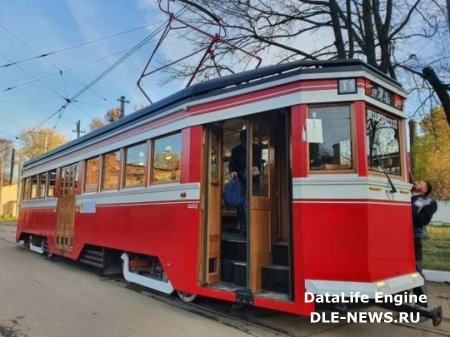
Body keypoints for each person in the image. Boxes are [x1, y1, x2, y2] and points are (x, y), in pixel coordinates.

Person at [228, 130, 262, 237]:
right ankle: (244, 229)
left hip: (254, 179)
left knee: (256, 202)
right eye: (244, 137)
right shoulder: (236, 150)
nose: (245, 139)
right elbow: (231, 164)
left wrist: (257, 171)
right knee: (240, 205)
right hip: (241, 181)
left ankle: (256, 228)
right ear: (241, 138)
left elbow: (259, 163)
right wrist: (233, 172)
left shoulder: (257, 148)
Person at [411, 180, 438, 307]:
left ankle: (422, 306)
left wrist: (407, 208)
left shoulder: (429, 202)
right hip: (394, 236)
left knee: (416, 270)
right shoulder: (402, 194)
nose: (416, 181)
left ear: (425, 189)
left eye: (420, 182)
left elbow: (423, 220)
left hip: (413, 237)